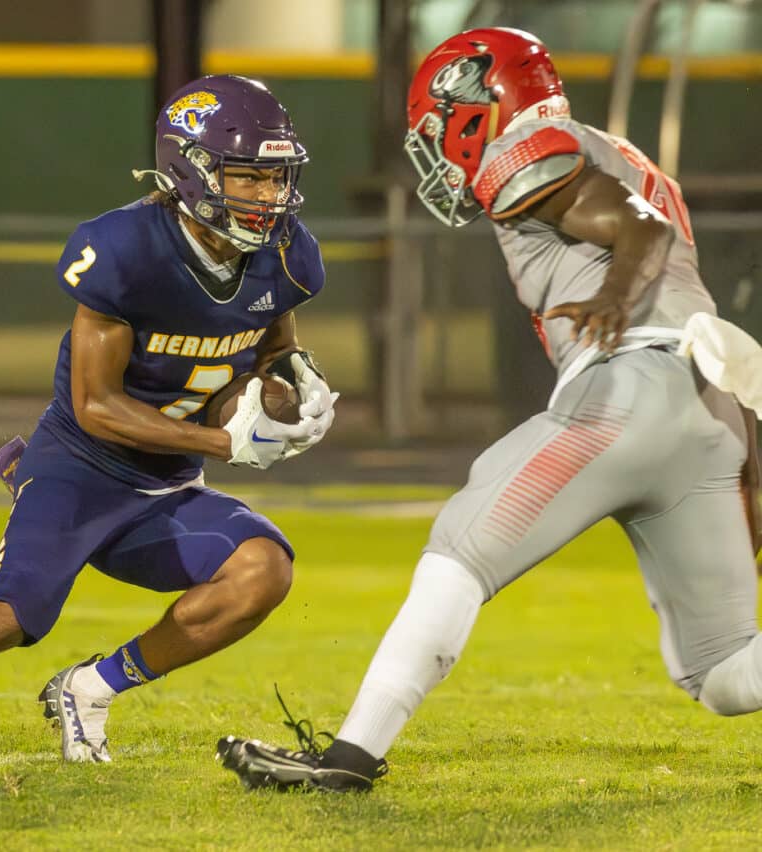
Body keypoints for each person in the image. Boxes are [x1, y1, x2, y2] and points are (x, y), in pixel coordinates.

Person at [218, 27, 762, 793]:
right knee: (725, 670)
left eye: (439, 129)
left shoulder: (525, 146)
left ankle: (348, 760)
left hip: (629, 391)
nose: (437, 150)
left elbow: (641, 230)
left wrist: (610, 298)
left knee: (460, 548)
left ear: (478, 104)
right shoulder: (621, 150)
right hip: (712, 409)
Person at [0, 74, 338, 770]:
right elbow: (96, 406)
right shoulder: (125, 249)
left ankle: (91, 687)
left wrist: (293, 394)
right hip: (81, 472)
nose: (269, 197)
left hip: (168, 488)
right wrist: (225, 440)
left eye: (278, 177)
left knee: (264, 570)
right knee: (8, 614)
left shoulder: (285, 253)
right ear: (191, 171)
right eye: (250, 177)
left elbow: (272, 352)